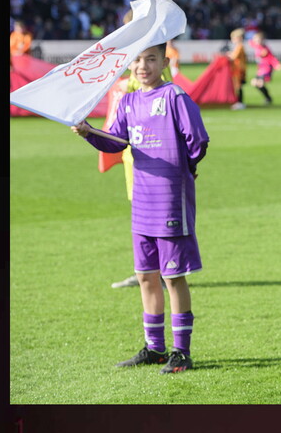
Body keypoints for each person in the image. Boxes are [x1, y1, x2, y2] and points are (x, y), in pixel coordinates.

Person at [72, 40, 209, 375]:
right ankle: (155, 349)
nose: (142, 66)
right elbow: (115, 142)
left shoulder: (175, 97)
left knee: (173, 277)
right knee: (146, 276)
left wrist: (183, 169)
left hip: (169, 199)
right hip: (142, 201)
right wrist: (89, 132)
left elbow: (198, 140)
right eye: (136, 60)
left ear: (164, 62)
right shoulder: (129, 101)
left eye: (150, 59)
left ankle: (181, 352)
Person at [111, 9, 175, 289]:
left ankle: (159, 272)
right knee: (139, 211)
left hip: (153, 150)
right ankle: (146, 269)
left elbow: (160, 93)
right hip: (132, 151)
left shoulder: (152, 62)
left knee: (155, 212)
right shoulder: (131, 59)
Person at [249, 30, 281, 105]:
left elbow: (271, 57)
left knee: (259, 83)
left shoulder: (265, 49)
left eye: (257, 39)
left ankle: (268, 98)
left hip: (266, 68)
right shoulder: (256, 46)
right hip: (260, 69)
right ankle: (268, 98)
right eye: (255, 39)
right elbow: (251, 42)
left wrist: (276, 64)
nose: (255, 40)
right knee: (254, 83)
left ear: (262, 40)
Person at [228, 28, 247, 110]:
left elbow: (234, 57)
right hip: (238, 69)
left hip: (239, 70)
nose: (232, 40)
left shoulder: (240, 46)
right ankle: (239, 102)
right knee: (238, 86)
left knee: (238, 86)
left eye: (233, 38)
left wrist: (228, 55)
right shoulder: (238, 47)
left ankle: (240, 102)